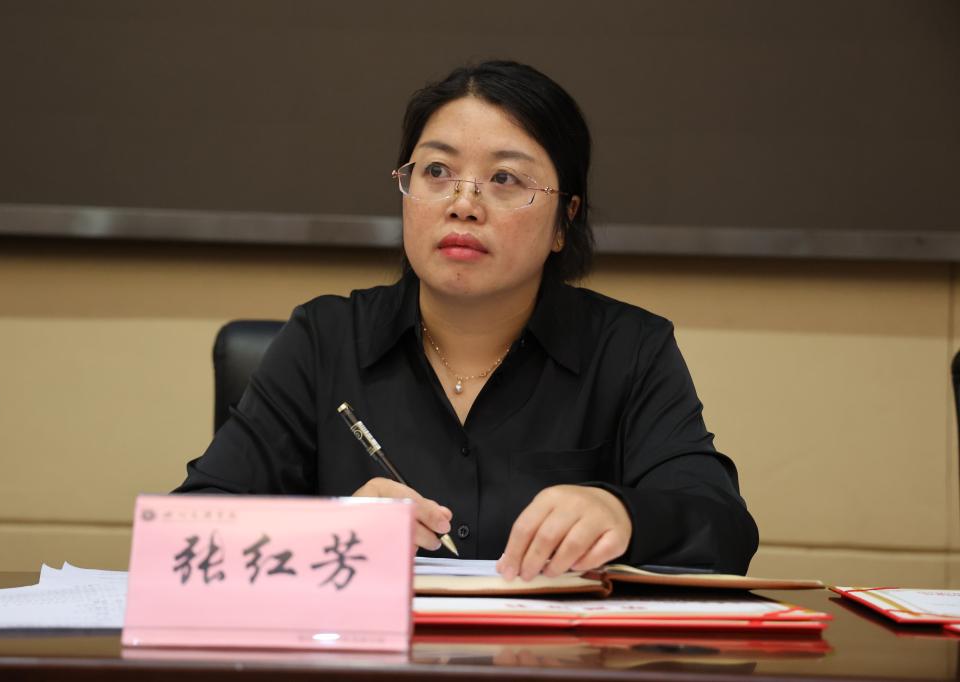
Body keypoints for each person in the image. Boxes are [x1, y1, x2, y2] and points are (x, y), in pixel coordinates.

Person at [176, 60, 759, 578]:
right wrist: (332, 528)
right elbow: (190, 530)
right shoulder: (324, 340)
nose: (462, 204)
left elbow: (724, 529)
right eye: (436, 171)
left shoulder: (628, 349)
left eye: (505, 178)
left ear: (565, 220)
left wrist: (623, 513)